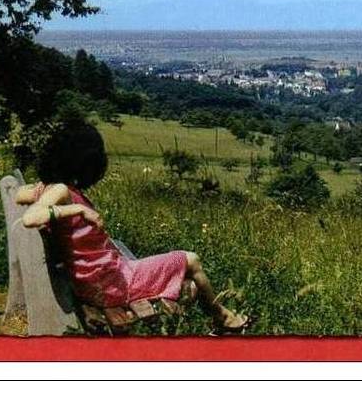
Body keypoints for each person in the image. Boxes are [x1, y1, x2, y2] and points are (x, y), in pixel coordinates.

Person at [16, 116, 249, 333]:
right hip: (110, 284)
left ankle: (220, 317)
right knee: (191, 259)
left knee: (188, 282)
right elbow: (30, 218)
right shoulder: (62, 191)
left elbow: (17, 194)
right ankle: (223, 317)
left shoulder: (51, 188)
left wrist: (47, 197)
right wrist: (78, 209)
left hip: (97, 280)